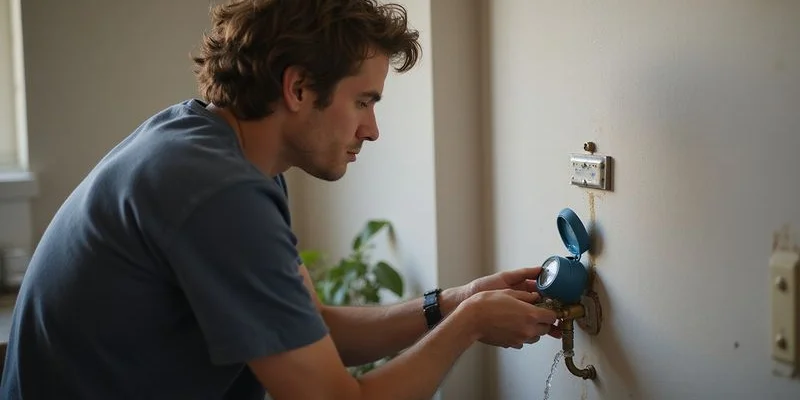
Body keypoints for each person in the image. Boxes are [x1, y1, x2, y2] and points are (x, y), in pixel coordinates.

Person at [0, 0, 560, 399]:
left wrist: (453, 303)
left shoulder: (221, 149)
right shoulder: (220, 192)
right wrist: (467, 329)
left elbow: (312, 327)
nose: (372, 129)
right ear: (297, 88)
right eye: (364, 101)